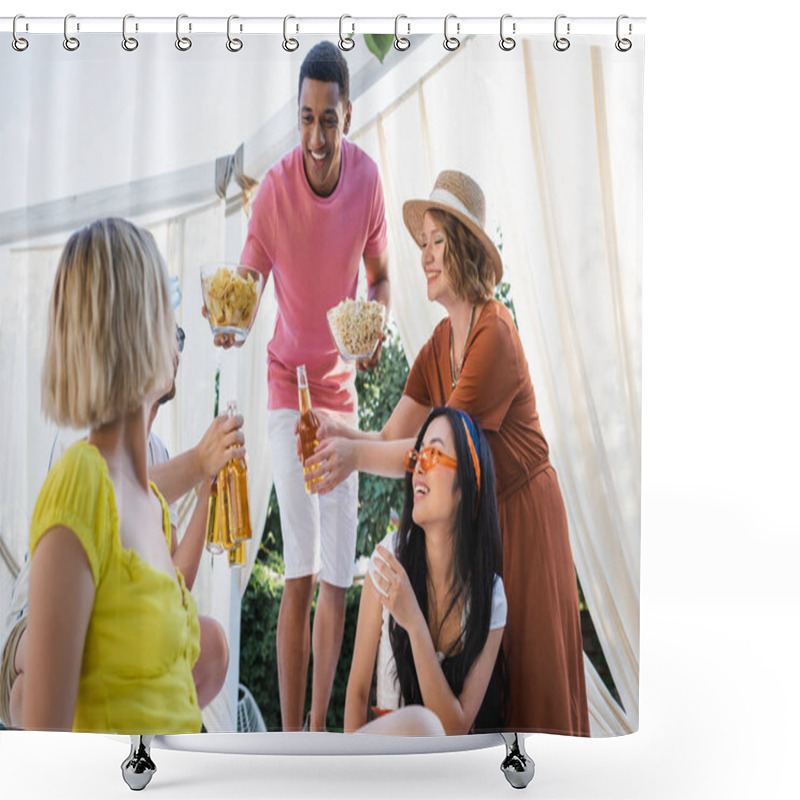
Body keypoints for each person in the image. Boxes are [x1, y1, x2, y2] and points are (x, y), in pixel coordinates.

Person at [305, 171, 590, 735]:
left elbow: (438, 451)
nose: (426, 257)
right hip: (484, 521)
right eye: (423, 243)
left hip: (524, 516)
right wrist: (334, 432)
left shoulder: (495, 334)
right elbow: (391, 438)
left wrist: (351, 457)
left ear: (463, 249)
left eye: (438, 241)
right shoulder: (439, 343)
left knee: (532, 679)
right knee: (494, 687)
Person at [221, 40, 390, 732]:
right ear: (297, 117)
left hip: (340, 395)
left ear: (347, 114)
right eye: (306, 119)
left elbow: (380, 272)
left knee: (338, 578)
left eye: (329, 119)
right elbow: (246, 290)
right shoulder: (273, 192)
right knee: (298, 563)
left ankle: (318, 728)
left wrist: (376, 321)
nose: (316, 136)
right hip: (286, 388)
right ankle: (291, 736)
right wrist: (230, 322)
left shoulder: (369, 182)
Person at [0, 327, 245, 728]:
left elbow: (172, 582)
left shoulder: (158, 451)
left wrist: (207, 492)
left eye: (179, 333)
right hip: (39, 625)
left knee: (212, 646)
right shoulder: (81, 441)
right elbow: (114, 495)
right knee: (81, 646)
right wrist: (199, 460)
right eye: (168, 329)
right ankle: (42, 713)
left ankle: (132, 734)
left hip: (118, 629)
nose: (179, 342)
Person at [18, 217, 203, 733]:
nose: (178, 332)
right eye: (168, 313)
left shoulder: (148, 499)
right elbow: (46, 753)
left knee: (417, 730)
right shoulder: (81, 483)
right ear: (136, 326)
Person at [345, 407, 505, 736]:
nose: (418, 465)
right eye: (418, 455)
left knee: (431, 728)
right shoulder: (389, 558)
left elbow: (456, 728)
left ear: (466, 485)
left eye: (433, 453)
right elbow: (358, 691)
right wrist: (352, 774)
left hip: (441, 776)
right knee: (422, 726)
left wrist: (414, 622)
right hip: (381, 765)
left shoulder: (492, 597)